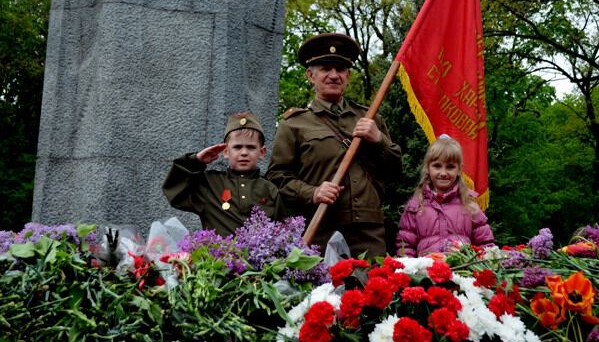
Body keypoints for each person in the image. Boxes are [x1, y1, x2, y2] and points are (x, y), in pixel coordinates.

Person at [266, 33, 402, 259]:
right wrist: (314, 192)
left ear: (348, 75)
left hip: (368, 230)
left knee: (374, 291)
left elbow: (396, 170)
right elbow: (277, 178)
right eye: (326, 69)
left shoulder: (370, 117)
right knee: (322, 293)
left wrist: (378, 139)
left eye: (340, 69)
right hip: (320, 226)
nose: (333, 75)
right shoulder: (294, 124)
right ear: (311, 75)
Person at [163, 112, 282, 235]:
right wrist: (195, 161)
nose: (244, 152)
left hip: (259, 253)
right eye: (237, 147)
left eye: (251, 147)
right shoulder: (210, 184)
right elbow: (175, 194)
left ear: (262, 152)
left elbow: (282, 230)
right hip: (218, 253)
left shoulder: (270, 189)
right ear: (225, 152)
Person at [396, 136, 494, 256]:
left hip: (462, 271)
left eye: (450, 167)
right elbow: (405, 246)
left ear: (459, 170)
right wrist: (409, 270)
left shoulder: (470, 205)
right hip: (426, 272)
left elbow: (485, 245)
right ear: (428, 168)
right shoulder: (415, 207)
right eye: (437, 166)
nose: (443, 173)